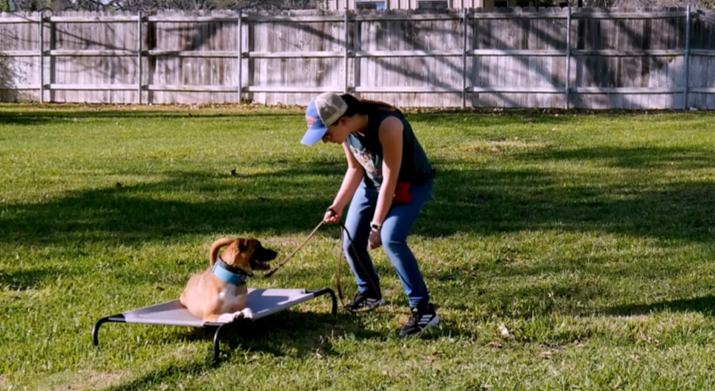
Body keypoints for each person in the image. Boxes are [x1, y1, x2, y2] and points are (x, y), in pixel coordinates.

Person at [300, 92, 439, 336]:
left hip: (409, 184)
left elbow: (390, 180)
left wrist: (376, 227)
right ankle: (370, 294)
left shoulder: (388, 125)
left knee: (391, 238)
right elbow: (355, 168)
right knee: (351, 240)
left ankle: (423, 310)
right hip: (372, 183)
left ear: (341, 120)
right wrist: (337, 205)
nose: (325, 141)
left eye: (326, 134)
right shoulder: (347, 132)